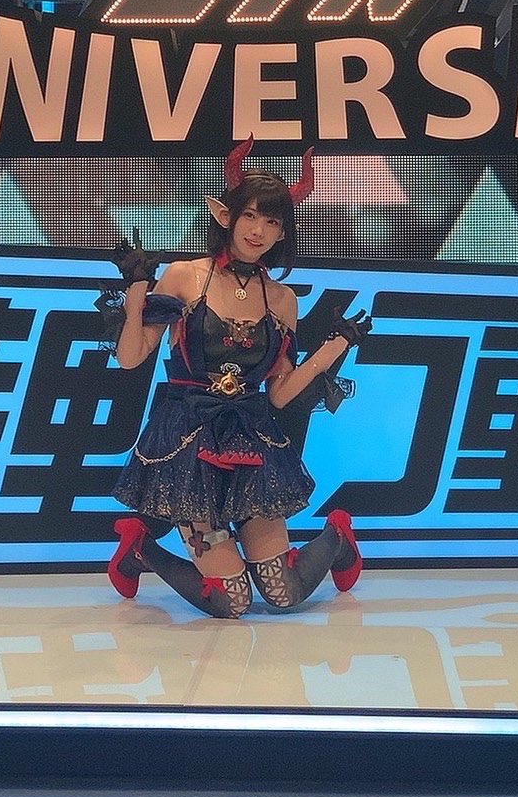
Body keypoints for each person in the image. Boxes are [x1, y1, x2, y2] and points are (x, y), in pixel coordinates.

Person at [106, 139, 372, 619]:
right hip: (186, 442)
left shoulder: (283, 298)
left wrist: (335, 347)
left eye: (272, 222)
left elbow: (281, 394)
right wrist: (138, 290)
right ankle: (141, 548)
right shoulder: (185, 276)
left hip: (252, 443)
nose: (258, 230)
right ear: (225, 215)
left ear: (283, 232)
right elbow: (130, 358)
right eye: (250, 216)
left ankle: (337, 537)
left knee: (282, 593)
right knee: (231, 602)